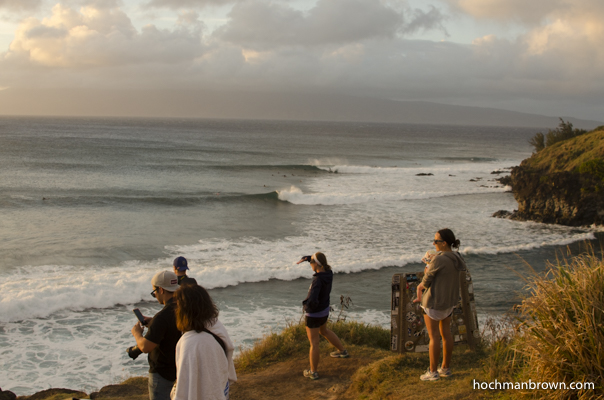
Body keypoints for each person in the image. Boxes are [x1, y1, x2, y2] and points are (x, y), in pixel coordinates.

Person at [414, 228, 467, 381]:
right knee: (446, 334)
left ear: (444, 243)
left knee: (434, 337)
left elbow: (426, 280)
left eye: (436, 241)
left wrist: (428, 264)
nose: (433, 243)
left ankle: (432, 372)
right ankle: (445, 368)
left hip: (434, 302)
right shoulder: (457, 257)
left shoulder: (439, 259)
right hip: (449, 302)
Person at [171, 284, 237, 400]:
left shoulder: (191, 343)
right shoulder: (215, 326)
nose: (176, 310)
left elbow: (185, 389)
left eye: (178, 306)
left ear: (185, 310)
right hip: (220, 389)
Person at [130, 271, 182, 400]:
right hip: (179, 369)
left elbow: (145, 347)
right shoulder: (183, 309)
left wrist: (137, 334)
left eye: (154, 292)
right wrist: (153, 322)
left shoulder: (162, 317)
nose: (155, 295)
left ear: (161, 290)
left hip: (162, 374)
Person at [297, 252, 349, 380]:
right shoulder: (328, 274)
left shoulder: (317, 280)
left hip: (314, 314)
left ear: (317, 264)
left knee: (314, 343)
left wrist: (306, 305)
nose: (310, 265)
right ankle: (342, 351)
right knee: (324, 330)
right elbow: (318, 261)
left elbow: (313, 299)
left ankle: (313, 372)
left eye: (311, 263)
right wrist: (308, 258)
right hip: (324, 311)